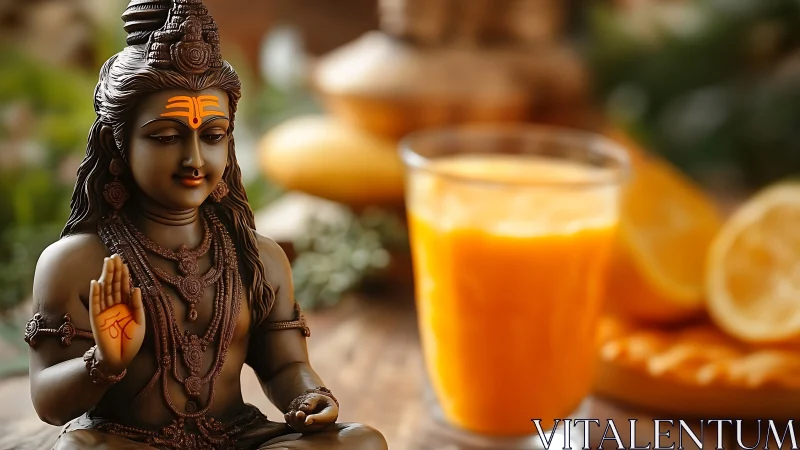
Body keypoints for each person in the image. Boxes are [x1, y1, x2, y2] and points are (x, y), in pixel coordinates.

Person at [24, 1, 388, 448]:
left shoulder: (258, 256)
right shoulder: (77, 263)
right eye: (166, 136)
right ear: (115, 142)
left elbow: (284, 366)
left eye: (213, 136)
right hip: (131, 441)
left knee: (361, 441)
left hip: (237, 437)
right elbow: (49, 403)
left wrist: (309, 397)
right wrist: (105, 361)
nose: (194, 159)